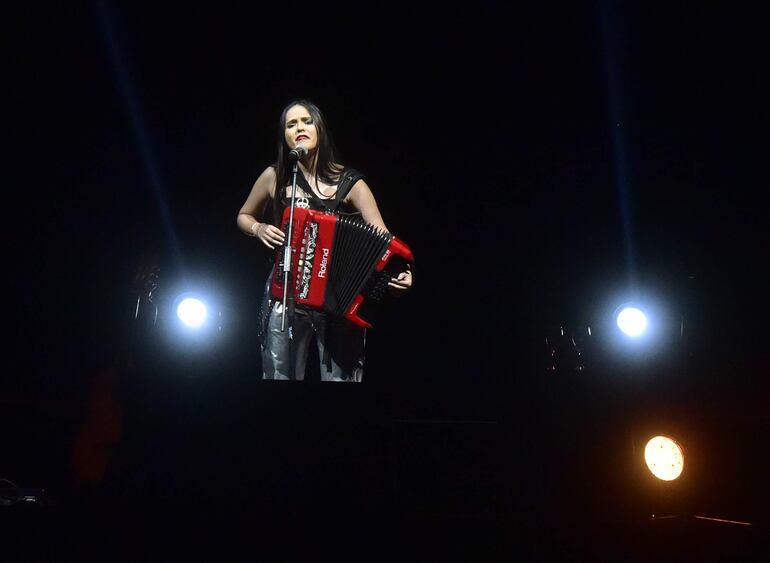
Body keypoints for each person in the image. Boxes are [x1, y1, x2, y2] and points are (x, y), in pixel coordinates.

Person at [237, 99, 412, 382]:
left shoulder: (351, 182)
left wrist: (402, 272)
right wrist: (257, 228)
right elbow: (244, 215)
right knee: (279, 374)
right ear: (284, 135)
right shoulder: (276, 176)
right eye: (291, 124)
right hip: (286, 291)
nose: (300, 128)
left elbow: (384, 239)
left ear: (321, 128)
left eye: (306, 121)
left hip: (338, 298)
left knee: (341, 379)